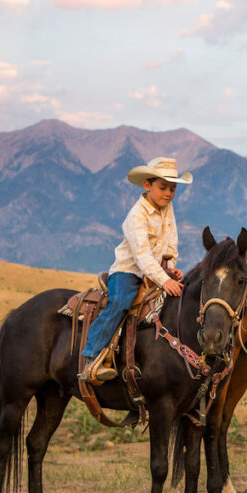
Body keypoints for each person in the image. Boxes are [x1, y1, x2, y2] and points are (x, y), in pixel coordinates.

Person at [81, 157, 192, 381]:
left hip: (155, 273)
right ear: (147, 185)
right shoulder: (136, 216)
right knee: (121, 302)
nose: (168, 193)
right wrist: (165, 280)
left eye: (172, 188)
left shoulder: (167, 208)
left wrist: (170, 269)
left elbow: (171, 243)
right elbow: (142, 256)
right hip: (128, 272)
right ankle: (91, 356)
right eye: (163, 187)